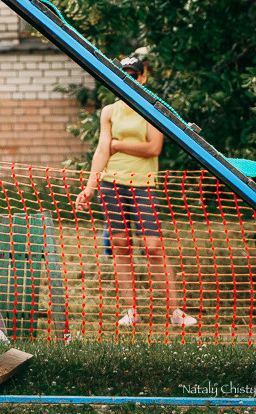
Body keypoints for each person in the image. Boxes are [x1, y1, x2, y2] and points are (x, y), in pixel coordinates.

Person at [75, 54, 197, 330]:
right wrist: (90, 186)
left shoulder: (152, 109)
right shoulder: (109, 111)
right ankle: (132, 310)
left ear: (143, 77)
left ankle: (176, 311)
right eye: (124, 74)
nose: (129, 79)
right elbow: (102, 150)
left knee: (153, 248)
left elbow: (153, 148)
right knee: (119, 246)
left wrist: (118, 145)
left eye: (134, 74)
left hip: (143, 184)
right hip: (111, 183)